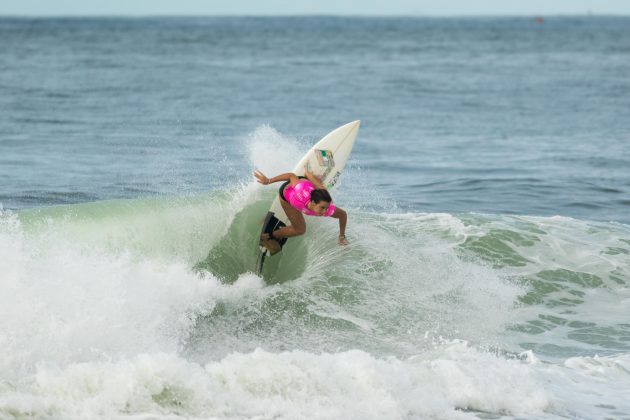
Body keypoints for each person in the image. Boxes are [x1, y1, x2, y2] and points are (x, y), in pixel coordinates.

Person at [254, 169, 348, 254]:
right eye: (322, 208)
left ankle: (309, 175)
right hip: (287, 195)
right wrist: (268, 181)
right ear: (313, 202)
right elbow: (291, 176)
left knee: (322, 189)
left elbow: (343, 215)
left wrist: (341, 236)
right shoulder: (300, 194)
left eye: (326, 208)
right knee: (300, 229)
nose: (325, 212)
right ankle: (270, 235)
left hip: (308, 190)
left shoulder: (327, 207)